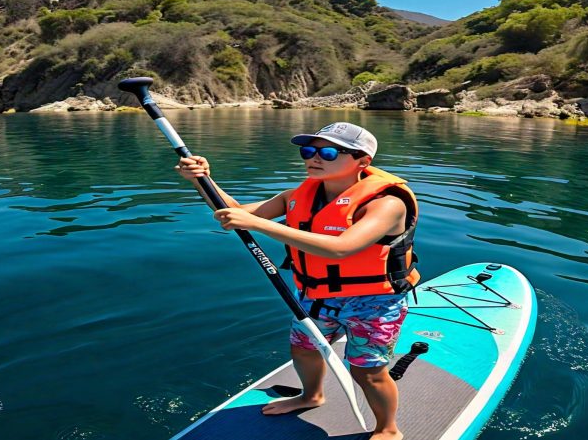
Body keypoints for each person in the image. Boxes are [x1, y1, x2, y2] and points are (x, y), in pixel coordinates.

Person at [175, 122, 420, 440]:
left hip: (373, 300)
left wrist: (257, 224)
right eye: (309, 150)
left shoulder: (387, 203)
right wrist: (201, 180)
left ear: (362, 161)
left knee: (367, 370)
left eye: (329, 152)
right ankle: (311, 396)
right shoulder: (296, 196)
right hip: (315, 293)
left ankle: (388, 429)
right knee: (304, 349)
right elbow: (232, 213)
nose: (315, 158)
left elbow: (341, 248)